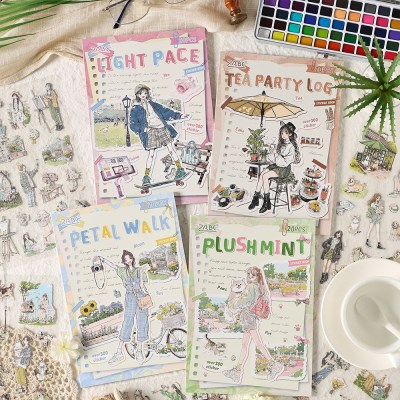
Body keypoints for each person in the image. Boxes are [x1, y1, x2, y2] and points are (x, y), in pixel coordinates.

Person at [222, 267, 283, 383]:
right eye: (249, 274)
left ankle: (274, 365)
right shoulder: (260, 287)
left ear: (258, 276)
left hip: (248, 316)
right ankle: (237, 371)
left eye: (253, 275)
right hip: (250, 317)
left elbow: (247, 300)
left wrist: (233, 305)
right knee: (245, 345)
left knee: (257, 343)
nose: (250, 276)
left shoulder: (251, 286)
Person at [129, 84, 190, 186]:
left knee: (171, 149)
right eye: (141, 93)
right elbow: (132, 124)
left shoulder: (152, 104)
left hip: (162, 128)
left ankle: (180, 169)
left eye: (145, 93)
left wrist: (180, 115)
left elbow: (166, 111)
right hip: (151, 131)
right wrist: (143, 129)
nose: (143, 95)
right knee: (151, 154)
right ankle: (146, 177)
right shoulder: (135, 109)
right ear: (137, 94)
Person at [97, 250, 150, 365]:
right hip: (130, 297)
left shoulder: (139, 270)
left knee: (142, 321)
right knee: (127, 321)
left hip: (141, 296)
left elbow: (142, 285)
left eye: (129, 258)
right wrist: (103, 260)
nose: (128, 261)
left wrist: (141, 273)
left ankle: (139, 350)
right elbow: (114, 266)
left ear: (132, 258)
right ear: (124, 261)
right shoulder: (123, 271)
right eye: (126, 260)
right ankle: (119, 352)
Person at [248, 121, 301, 213]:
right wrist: (271, 153)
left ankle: (266, 202)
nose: (283, 135)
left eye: (286, 133)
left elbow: (285, 163)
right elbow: (274, 159)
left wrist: (276, 154)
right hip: (276, 166)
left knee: (265, 176)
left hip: (284, 169)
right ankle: (255, 199)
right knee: (262, 174)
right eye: (282, 133)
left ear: (290, 134)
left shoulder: (291, 147)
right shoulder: (282, 144)